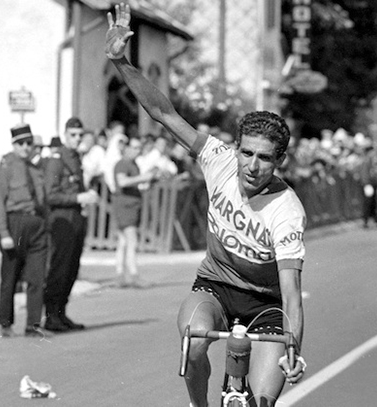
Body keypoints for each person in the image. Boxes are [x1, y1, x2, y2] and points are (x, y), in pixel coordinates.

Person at [106, 5, 307, 406]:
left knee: (264, 401)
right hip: (214, 287)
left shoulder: (287, 209)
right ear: (235, 148)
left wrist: (294, 350)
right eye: (246, 153)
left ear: (279, 160)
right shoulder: (216, 158)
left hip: (265, 304)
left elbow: (292, 293)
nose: (252, 166)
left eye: (264, 158)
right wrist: (119, 61)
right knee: (194, 343)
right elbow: (164, 113)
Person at [43, 117, 99, 332]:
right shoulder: (57, 159)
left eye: (79, 135)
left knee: (72, 268)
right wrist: (78, 198)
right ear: (65, 135)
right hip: (62, 220)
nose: (77, 139)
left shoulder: (76, 158)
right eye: (73, 135)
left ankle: (61, 312)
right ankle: (51, 316)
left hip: (76, 219)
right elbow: (51, 195)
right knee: (60, 267)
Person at [0, 124, 48, 338]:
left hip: (36, 225)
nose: (26, 147)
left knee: (36, 277)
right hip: (14, 224)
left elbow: (44, 201)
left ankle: (33, 325)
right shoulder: (6, 168)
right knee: (10, 277)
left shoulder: (36, 170)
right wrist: (4, 232)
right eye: (21, 143)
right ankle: (5, 323)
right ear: (14, 145)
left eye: (29, 143)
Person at [112, 137, 157, 288]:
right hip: (125, 206)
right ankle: (133, 274)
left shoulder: (133, 164)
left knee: (123, 242)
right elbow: (122, 182)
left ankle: (120, 275)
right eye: (135, 147)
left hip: (129, 205)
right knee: (132, 241)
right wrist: (143, 177)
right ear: (126, 148)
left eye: (139, 148)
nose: (137, 151)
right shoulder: (122, 164)